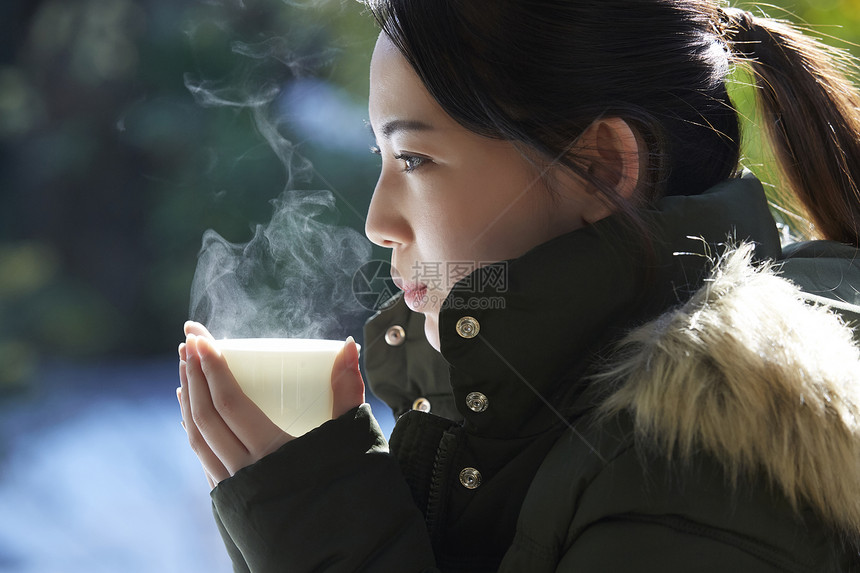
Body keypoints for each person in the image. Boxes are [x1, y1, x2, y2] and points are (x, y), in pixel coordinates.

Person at [177, 1, 860, 570]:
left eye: (414, 157)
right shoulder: (512, 413)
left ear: (599, 167)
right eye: (380, 155)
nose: (378, 222)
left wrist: (315, 516)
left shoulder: (701, 461)